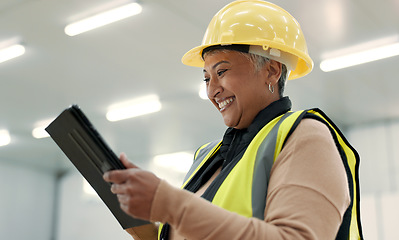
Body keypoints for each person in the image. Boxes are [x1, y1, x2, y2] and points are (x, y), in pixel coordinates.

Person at [103, 0, 363, 239]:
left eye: (222, 71)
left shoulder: (304, 137)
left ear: (271, 71)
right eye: (206, 78)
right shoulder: (206, 156)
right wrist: (143, 217)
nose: (211, 90)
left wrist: (170, 204)